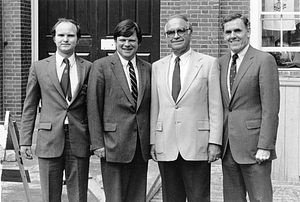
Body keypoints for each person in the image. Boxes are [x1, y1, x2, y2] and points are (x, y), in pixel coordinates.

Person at [150, 14, 223, 202]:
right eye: (170, 32)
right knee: (171, 198)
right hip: (166, 144)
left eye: (180, 30)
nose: (176, 35)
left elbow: (215, 106)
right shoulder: (157, 67)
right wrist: (153, 140)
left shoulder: (208, 64)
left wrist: (215, 142)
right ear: (166, 36)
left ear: (190, 32)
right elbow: (155, 108)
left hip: (196, 143)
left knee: (199, 197)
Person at [20, 18, 92, 202]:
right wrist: (25, 141)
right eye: (61, 35)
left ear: (77, 39)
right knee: (50, 196)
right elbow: (30, 105)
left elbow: (93, 107)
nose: (65, 39)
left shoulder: (89, 68)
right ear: (54, 38)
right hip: (49, 139)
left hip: (78, 138)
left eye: (70, 35)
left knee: (78, 196)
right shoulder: (39, 67)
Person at [87, 19, 151, 202]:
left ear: (138, 42)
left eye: (131, 40)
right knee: (115, 197)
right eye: (122, 39)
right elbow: (93, 106)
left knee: (138, 197)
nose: (127, 44)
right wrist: (97, 143)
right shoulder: (101, 66)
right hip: (112, 144)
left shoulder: (148, 69)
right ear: (115, 41)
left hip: (140, 146)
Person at [219, 13, 280, 202]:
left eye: (238, 30)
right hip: (228, 147)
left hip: (255, 148)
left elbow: (270, 108)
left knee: (260, 198)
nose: (233, 36)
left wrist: (265, 146)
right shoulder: (220, 63)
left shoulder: (264, 60)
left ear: (248, 32)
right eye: (228, 32)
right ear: (223, 36)